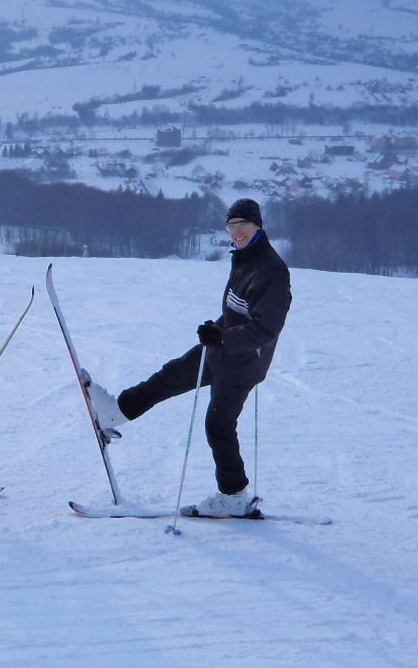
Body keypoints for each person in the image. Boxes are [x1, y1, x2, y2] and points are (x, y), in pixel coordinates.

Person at [84, 199, 292, 515]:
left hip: (244, 363)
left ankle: (234, 496)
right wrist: (217, 328)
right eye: (231, 226)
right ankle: (117, 412)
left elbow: (264, 329)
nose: (236, 233)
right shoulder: (245, 258)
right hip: (222, 350)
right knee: (170, 375)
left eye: (243, 226)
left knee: (218, 425)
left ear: (258, 226)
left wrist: (222, 337)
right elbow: (238, 311)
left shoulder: (271, 271)